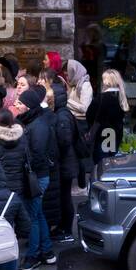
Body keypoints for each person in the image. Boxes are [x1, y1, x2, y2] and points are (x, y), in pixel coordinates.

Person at [15, 85, 55, 270]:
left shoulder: (37, 126)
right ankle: (47, 252)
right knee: (37, 215)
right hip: (37, 177)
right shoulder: (32, 122)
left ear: (29, 106)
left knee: (32, 217)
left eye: (20, 103)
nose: (17, 104)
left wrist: (24, 164)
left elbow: (36, 156)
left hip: (36, 178)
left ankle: (33, 256)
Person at [48, 80, 80, 242]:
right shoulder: (62, 113)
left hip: (65, 164)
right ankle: (62, 227)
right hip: (65, 163)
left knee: (65, 197)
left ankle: (66, 230)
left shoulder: (62, 116)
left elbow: (65, 140)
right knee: (63, 197)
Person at [87, 68, 128, 162]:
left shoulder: (102, 97)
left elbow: (89, 114)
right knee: (112, 161)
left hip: (103, 136)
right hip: (116, 135)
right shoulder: (121, 96)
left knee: (101, 164)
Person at [65, 59, 94, 124]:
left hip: (82, 122)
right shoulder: (74, 84)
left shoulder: (85, 85)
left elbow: (84, 108)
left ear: (74, 73)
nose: (67, 77)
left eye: (67, 75)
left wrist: (67, 100)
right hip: (74, 120)